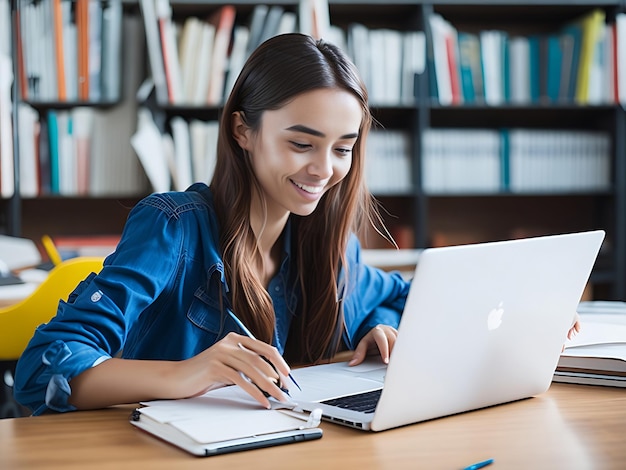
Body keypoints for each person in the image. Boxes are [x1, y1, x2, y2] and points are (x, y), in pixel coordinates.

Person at [14, 33, 411, 415]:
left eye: (343, 148)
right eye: (302, 144)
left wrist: (377, 327)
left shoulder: (331, 248)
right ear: (243, 131)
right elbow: (40, 369)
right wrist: (185, 374)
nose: (324, 169)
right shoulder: (174, 228)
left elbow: (401, 297)